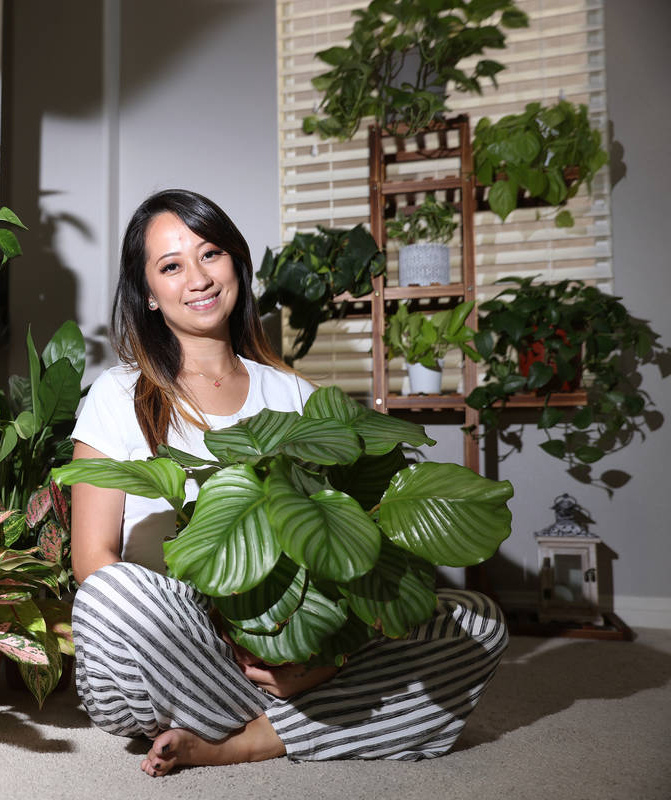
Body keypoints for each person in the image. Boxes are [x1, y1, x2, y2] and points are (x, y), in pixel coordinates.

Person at [69, 189, 508, 777]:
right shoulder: (118, 395)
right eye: (171, 266)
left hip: (295, 638)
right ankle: (312, 720)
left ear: (236, 265)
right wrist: (228, 638)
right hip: (171, 643)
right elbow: (91, 559)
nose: (197, 278)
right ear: (149, 293)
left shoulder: (294, 396)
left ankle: (241, 740)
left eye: (210, 255)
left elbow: (344, 551)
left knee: (478, 621)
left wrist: (324, 653)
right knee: (112, 596)